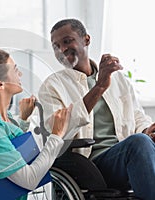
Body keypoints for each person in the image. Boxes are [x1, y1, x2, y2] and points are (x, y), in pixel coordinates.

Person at [38, 18, 155, 200]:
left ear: (86, 39)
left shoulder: (117, 79)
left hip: (126, 154)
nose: (61, 49)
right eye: (56, 46)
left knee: (142, 140)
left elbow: (137, 115)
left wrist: (147, 130)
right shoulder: (53, 85)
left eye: (67, 41)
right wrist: (99, 87)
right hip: (91, 165)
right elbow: (57, 130)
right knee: (138, 143)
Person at [0, 48, 72, 200]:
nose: (20, 74)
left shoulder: (4, 117)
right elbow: (28, 180)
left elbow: (12, 147)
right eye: (15, 70)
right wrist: (56, 136)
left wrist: (23, 120)